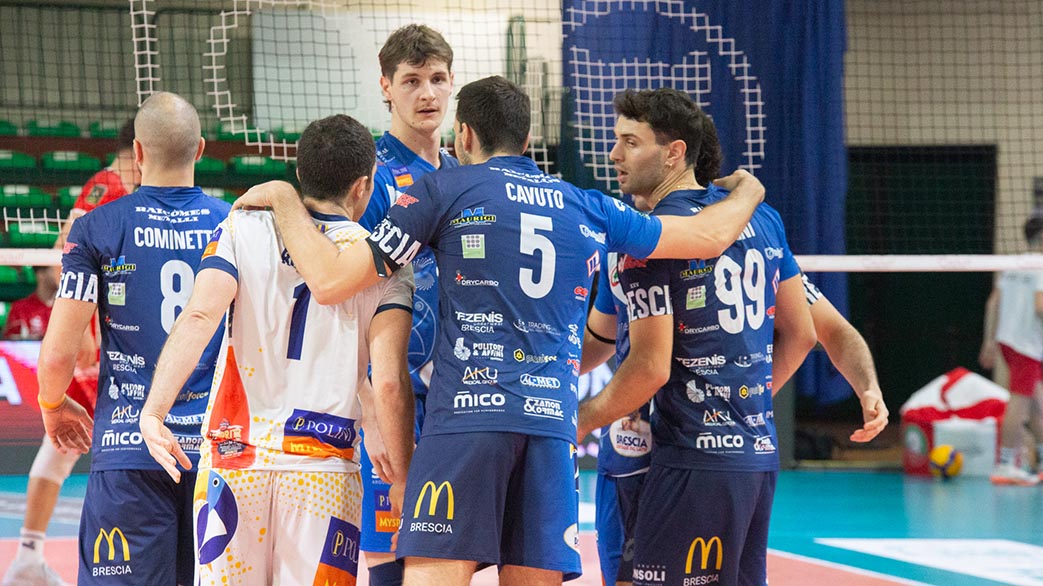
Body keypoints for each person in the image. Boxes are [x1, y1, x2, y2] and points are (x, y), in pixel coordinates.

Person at [232, 76, 765, 586]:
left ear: (463, 135)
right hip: (551, 432)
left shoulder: (440, 190)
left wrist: (283, 196)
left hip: (466, 422)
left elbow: (330, 281)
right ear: (528, 141)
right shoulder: (589, 204)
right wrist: (750, 190)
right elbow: (709, 236)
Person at [137, 114, 416, 585]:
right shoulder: (380, 262)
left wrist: (154, 411)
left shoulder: (241, 228)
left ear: (301, 172)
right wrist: (404, 477)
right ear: (364, 186)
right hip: (322, 470)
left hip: (233, 461)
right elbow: (388, 379)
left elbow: (200, 317)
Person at [576, 88, 817, 586]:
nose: (614, 154)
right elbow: (802, 334)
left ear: (674, 153)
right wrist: (740, 405)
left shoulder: (648, 237)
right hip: (755, 454)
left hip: (683, 458)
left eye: (630, 142)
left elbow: (649, 367)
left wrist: (576, 423)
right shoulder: (763, 220)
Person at [35, 91, 230, 585]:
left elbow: (57, 354)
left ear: (137, 152)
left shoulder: (96, 227)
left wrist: (52, 404)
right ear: (200, 150)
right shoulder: (237, 224)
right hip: (221, 452)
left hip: (129, 449)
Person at [356, 24, 458, 586]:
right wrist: (370, 411)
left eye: (437, 79)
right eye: (412, 80)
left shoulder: (463, 176)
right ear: (386, 87)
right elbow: (343, 300)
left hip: (456, 404)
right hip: (390, 399)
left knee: (442, 565)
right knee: (390, 565)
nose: (427, 94)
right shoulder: (370, 178)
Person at [979, 216, 1043, 486]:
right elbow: (1040, 307)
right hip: (1026, 345)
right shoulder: (1040, 266)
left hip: (1008, 341)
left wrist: (989, 341)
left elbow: (993, 302)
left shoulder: (1013, 264)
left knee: (1038, 404)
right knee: (1019, 403)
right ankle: (1005, 464)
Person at [3, 266, 59, 340]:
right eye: (54, 270)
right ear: (41, 274)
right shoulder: (20, 307)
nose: (61, 274)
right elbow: (9, 340)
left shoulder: (65, 308)